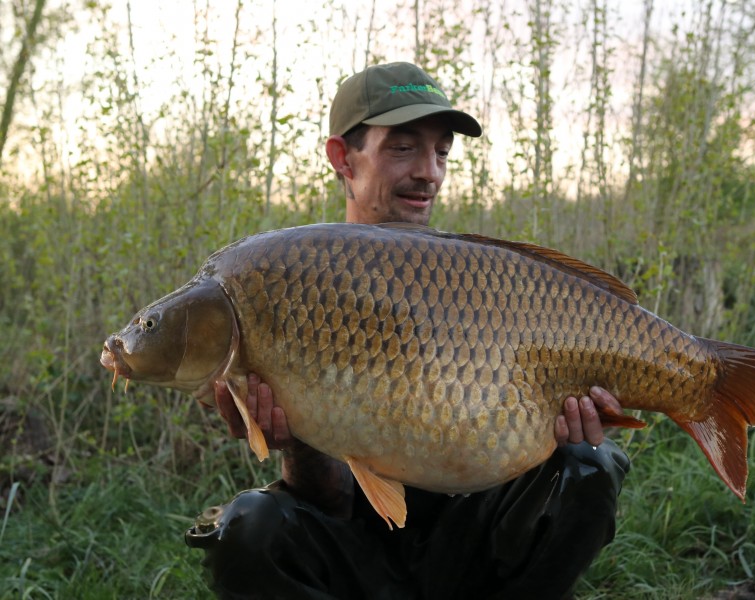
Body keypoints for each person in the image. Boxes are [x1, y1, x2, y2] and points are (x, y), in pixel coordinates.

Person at [185, 62, 630, 600]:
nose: (430, 172)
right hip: (359, 552)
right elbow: (330, 504)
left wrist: (573, 423)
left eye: (441, 151)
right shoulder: (293, 286)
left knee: (590, 465)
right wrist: (293, 438)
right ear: (341, 158)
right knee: (249, 527)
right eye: (403, 148)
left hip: (472, 534)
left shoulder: (483, 279)